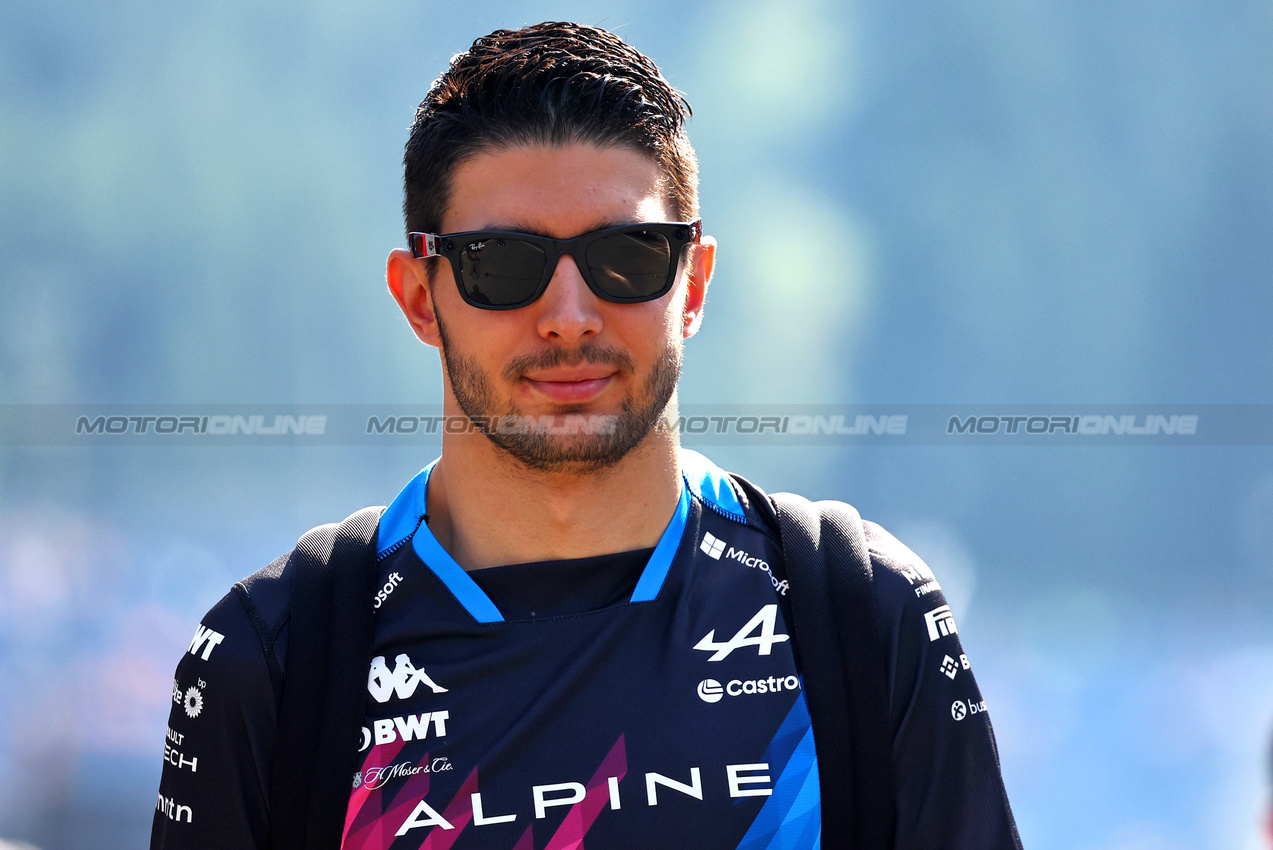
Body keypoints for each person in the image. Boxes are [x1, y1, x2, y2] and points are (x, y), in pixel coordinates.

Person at [151, 22, 1022, 850]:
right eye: (503, 264)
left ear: (692, 283)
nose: (568, 317)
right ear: (420, 295)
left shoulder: (860, 611)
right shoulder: (273, 658)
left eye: (628, 256)